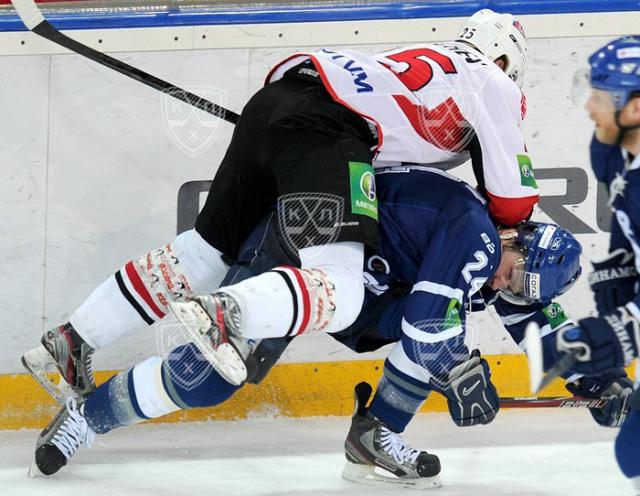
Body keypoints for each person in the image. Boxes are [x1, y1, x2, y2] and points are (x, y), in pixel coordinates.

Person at [22, 8, 538, 480]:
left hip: (277, 106)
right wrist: (506, 227)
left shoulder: (435, 71)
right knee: (341, 290)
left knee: (201, 255)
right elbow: (514, 199)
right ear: (503, 59)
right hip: (326, 137)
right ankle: (230, 312)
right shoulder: (491, 81)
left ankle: (76, 338)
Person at [27, 167, 580, 489]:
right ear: (518, 239)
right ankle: (86, 416)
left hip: (362, 285)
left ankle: (373, 436)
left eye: (520, 288)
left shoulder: (497, 252)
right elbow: (428, 325)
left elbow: (533, 320)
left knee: (440, 332)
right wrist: (458, 370)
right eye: (517, 276)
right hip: (308, 249)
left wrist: (597, 380)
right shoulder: (475, 231)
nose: (508, 287)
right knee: (209, 379)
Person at [534, 36, 640, 493]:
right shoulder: (609, 150)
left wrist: (619, 333)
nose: (589, 107)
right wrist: (619, 268)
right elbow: (624, 214)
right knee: (633, 452)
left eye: (600, 96)